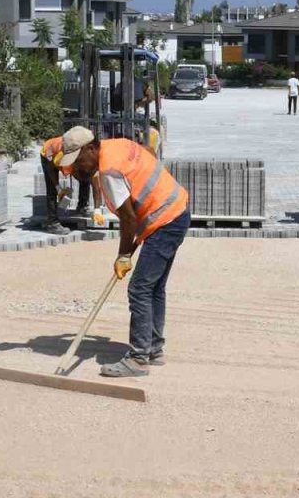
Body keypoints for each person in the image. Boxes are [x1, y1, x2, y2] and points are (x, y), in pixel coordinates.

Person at [57, 126, 191, 378]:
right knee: (153, 287)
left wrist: (123, 255)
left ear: (90, 148)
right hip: (176, 209)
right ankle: (153, 349)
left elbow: (128, 218)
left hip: (164, 220)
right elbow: (149, 151)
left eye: (79, 161)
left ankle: (139, 358)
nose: (78, 168)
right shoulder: (117, 145)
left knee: (139, 288)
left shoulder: (109, 171)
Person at [40, 136, 92, 235]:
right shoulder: (60, 154)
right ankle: (52, 223)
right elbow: (51, 169)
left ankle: (82, 207)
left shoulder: (82, 154)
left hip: (62, 155)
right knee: (52, 190)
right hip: (48, 154)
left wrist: (97, 209)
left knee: (85, 178)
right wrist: (58, 188)